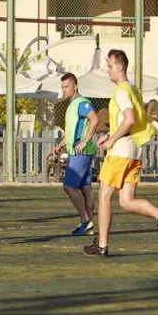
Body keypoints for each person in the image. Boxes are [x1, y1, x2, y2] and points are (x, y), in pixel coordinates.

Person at [83, 49, 158, 258]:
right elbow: (131, 123)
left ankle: (102, 245)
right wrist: (110, 135)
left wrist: (112, 140)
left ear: (120, 67)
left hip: (121, 152)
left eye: (110, 65)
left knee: (104, 196)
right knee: (126, 200)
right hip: (134, 151)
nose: (108, 70)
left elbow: (130, 119)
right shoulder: (133, 90)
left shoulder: (122, 91)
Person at [52, 73, 99, 236]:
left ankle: (86, 220)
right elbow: (71, 133)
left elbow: (95, 119)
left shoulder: (82, 103)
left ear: (75, 86)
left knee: (69, 186)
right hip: (77, 152)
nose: (63, 90)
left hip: (82, 152)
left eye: (66, 87)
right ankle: (88, 224)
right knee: (86, 188)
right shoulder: (71, 105)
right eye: (62, 87)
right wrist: (60, 145)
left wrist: (85, 141)